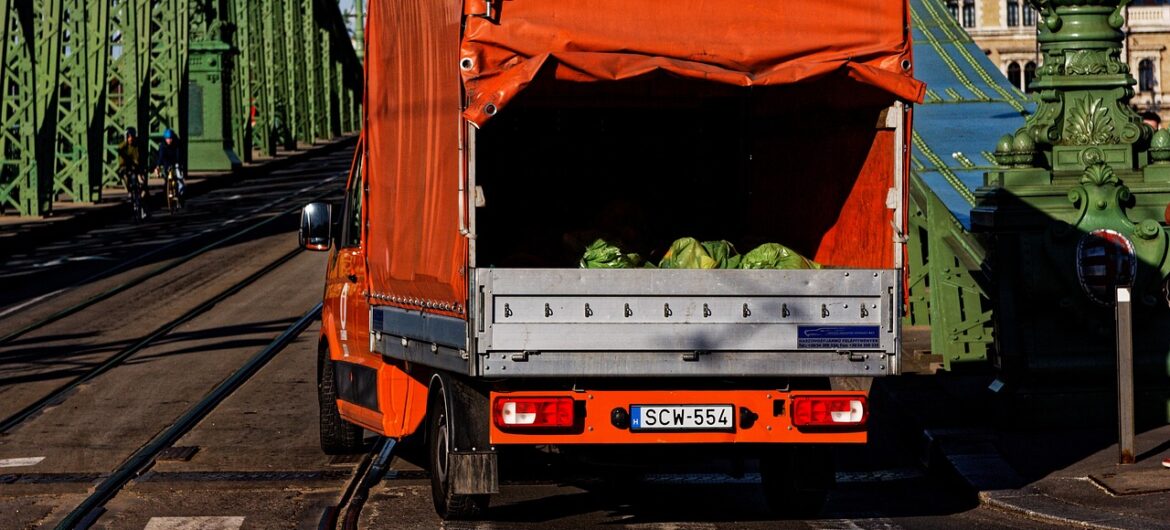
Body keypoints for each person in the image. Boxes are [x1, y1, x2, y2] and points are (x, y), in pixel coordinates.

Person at [117, 127, 149, 218]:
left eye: (132, 136)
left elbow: (144, 157)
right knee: (125, 177)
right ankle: (129, 191)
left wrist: (143, 169)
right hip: (127, 167)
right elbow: (121, 161)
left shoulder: (139, 145)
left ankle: (144, 209)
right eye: (129, 137)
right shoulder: (122, 147)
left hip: (138, 168)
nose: (131, 139)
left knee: (142, 187)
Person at [155, 128, 185, 198]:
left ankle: (181, 192)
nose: (169, 141)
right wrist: (158, 166)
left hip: (175, 160)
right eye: (167, 139)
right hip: (167, 161)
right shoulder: (162, 145)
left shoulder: (177, 143)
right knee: (167, 176)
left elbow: (179, 154)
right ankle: (167, 189)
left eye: (170, 138)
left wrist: (178, 164)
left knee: (179, 177)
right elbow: (161, 156)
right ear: (165, 139)